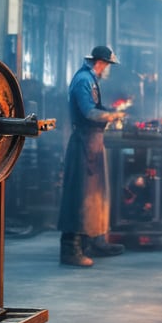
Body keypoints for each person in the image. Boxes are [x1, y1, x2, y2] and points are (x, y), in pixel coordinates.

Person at [58, 44, 126, 267]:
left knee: (96, 195)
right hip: (83, 143)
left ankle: (96, 240)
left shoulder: (91, 79)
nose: (108, 69)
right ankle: (71, 249)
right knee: (80, 196)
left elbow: (96, 106)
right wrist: (113, 116)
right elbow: (89, 112)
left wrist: (112, 112)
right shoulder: (83, 81)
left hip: (93, 143)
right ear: (100, 62)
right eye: (107, 65)